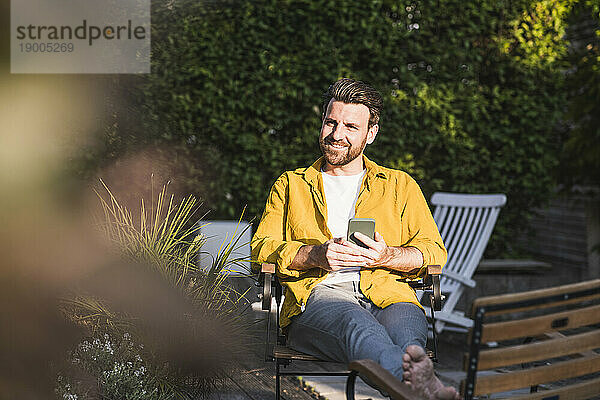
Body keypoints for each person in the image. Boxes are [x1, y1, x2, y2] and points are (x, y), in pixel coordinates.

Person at [251, 78, 460, 399]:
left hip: (390, 295)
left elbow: (433, 252)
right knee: (359, 325)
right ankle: (424, 388)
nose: (337, 135)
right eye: (330, 123)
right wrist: (315, 255)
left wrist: (387, 255)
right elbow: (261, 250)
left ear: (370, 134)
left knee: (408, 341)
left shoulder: (399, 185)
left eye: (350, 126)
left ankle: (418, 386)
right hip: (318, 299)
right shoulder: (292, 185)